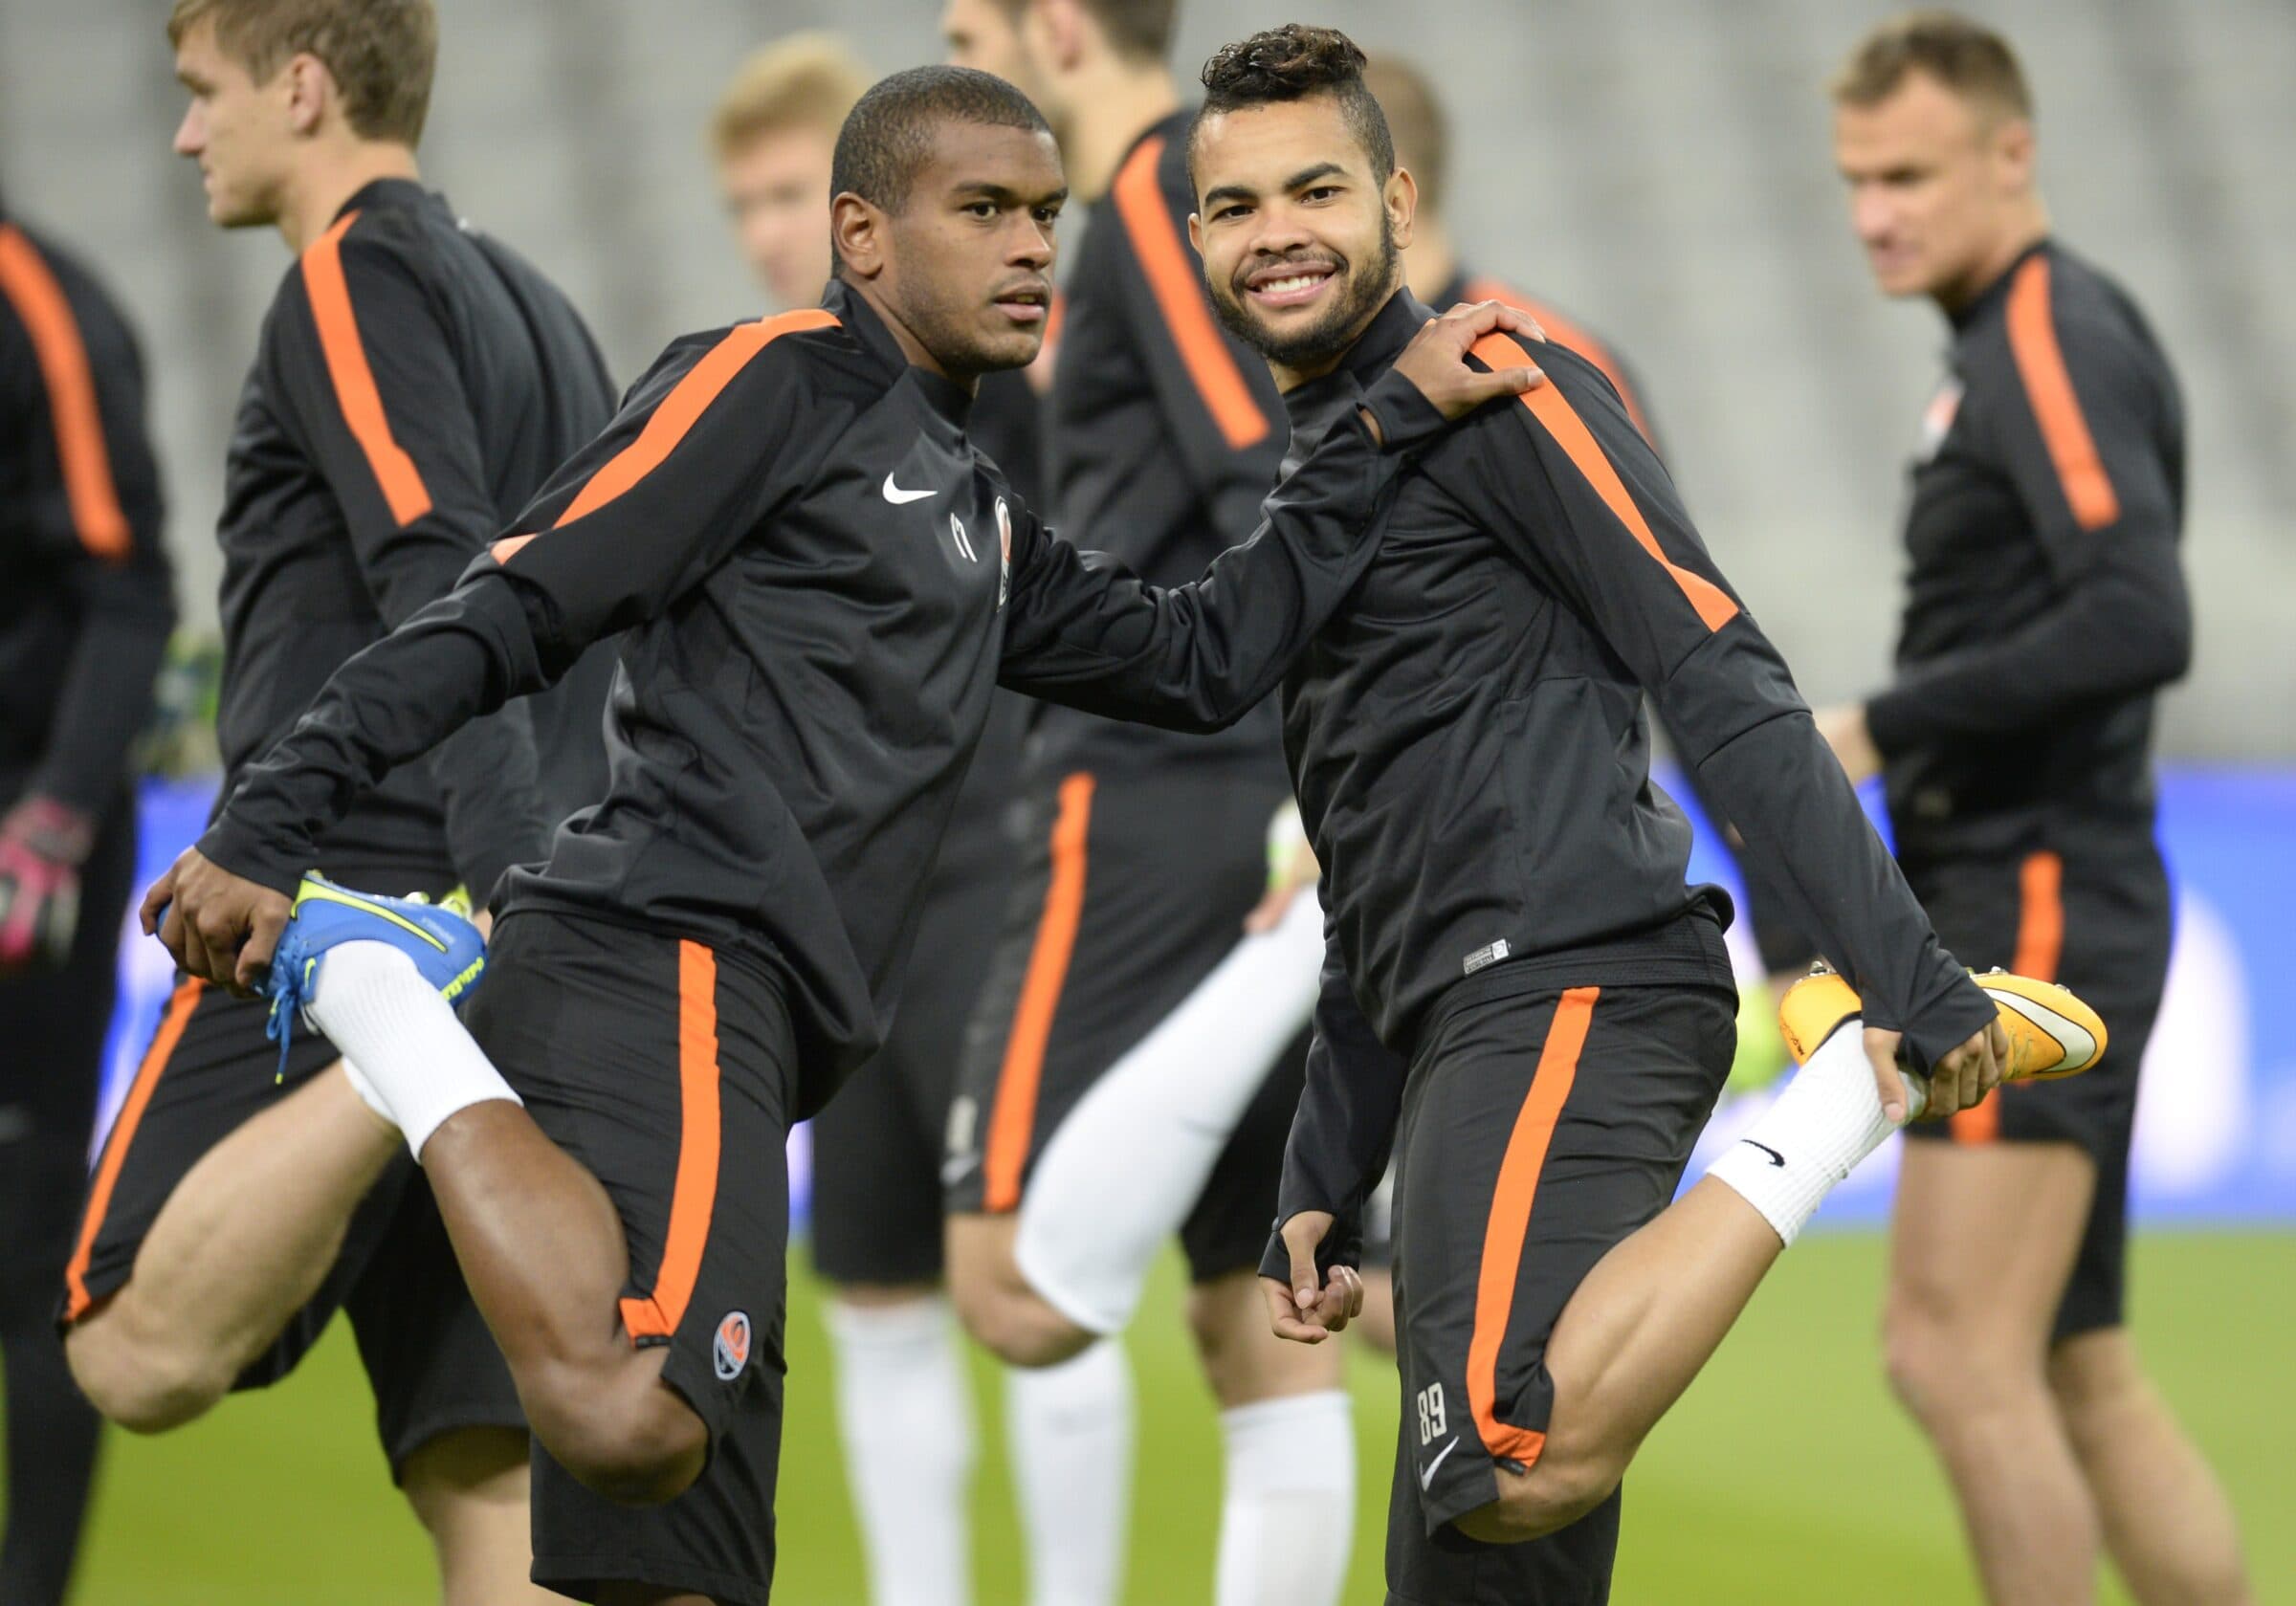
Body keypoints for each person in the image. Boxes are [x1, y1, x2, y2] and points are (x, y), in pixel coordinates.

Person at [142, 65, 1533, 1606]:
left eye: (1044, 214)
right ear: (861, 234)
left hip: (766, 1042)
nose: (1031, 246)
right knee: (632, 1415)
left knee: (677, 1579)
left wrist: (1382, 427)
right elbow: (509, 603)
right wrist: (267, 820)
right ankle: (390, 1002)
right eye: (983, 209)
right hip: (659, 959)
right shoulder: (768, 382)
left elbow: (1206, 656)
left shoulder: (976, 510)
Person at [1129, 26, 2068, 1602]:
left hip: (1574, 984)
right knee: (1477, 1574)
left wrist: (1898, 973)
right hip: (1462, 1027)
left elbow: (1720, 675)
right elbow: (1370, 851)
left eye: (1316, 190)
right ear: (1197, 239)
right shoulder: (1327, 477)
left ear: (1398, 203)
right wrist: (1323, 1167)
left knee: (1510, 1449)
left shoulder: (1510, 379)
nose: (1275, 231)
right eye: (1235, 206)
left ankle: (1846, 1098)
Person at [59, 3, 616, 1600]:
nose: (186, 133)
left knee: (126, 1336)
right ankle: (437, 1031)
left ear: (300, 87)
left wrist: (487, 892)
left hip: (367, 898)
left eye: (203, 92)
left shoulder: (348, 276)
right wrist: (538, 881)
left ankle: (406, 1042)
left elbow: (438, 572)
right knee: (488, 1474)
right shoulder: (541, 311)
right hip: (534, 892)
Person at [1818, 14, 2249, 1604]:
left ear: (2015, 154)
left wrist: (1881, 724)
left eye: (1911, 175)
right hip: (2049, 883)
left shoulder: (2050, 331)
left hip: (2040, 895)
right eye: (1859, 180)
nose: (1877, 213)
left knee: (1951, 1349)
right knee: (2078, 1362)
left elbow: (2139, 613)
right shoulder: (2006, 342)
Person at [939, 4, 1349, 1598]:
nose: (963, 61)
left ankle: (1290, 961)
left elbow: (1272, 465)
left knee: (1010, 1283)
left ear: (1054, 26)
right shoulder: (1155, 209)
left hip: (1141, 794)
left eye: (973, 29)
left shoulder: (1166, 199)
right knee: (1264, 1309)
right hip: (1246, 787)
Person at [708, 35, 1048, 1606]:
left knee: (1023, 1290)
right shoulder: (764, 404)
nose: (768, 229)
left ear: (864, 218)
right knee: (874, 1290)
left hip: (999, 886)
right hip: (842, 912)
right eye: (748, 203)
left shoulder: (996, 390)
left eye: (791, 193)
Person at [0, 195, 174, 1606]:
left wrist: (48, 822)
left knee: (27, 1238)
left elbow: (127, 587)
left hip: (24, 838)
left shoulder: (37, 303)